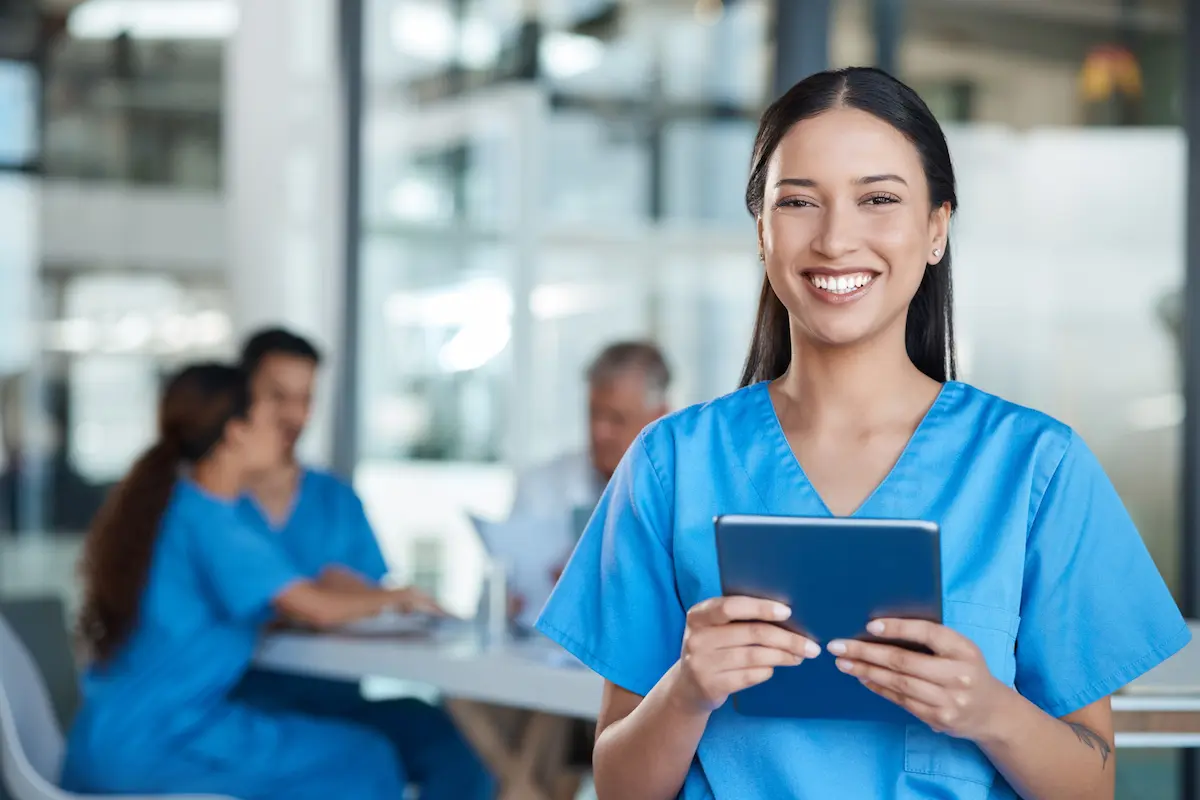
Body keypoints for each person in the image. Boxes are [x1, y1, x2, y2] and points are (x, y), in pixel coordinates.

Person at [535, 67, 1192, 800]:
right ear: (762, 231)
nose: (836, 237)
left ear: (937, 227)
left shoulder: (1036, 467)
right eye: (798, 202)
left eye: (878, 199)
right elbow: (620, 786)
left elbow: (1093, 785)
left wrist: (988, 711)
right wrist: (687, 690)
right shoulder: (669, 466)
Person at [62, 364, 435, 798]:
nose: (283, 432)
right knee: (367, 758)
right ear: (236, 433)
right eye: (269, 420)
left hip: (106, 739)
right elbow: (315, 604)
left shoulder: (179, 506)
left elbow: (237, 611)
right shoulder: (213, 520)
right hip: (162, 744)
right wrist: (402, 597)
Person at [229, 327, 495, 800]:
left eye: (305, 399)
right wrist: (322, 603)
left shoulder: (336, 500)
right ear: (241, 397)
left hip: (337, 700)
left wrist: (366, 600)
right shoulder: (217, 505)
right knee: (367, 759)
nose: (294, 415)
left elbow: (369, 595)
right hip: (246, 703)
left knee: (453, 747)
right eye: (277, 396)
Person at [506, 340, 670, 594]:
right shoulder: (540, 484)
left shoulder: (683, 494)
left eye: (617, 418)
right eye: (594, 414)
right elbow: (503, 586)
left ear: (659, 417)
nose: (599, 431)